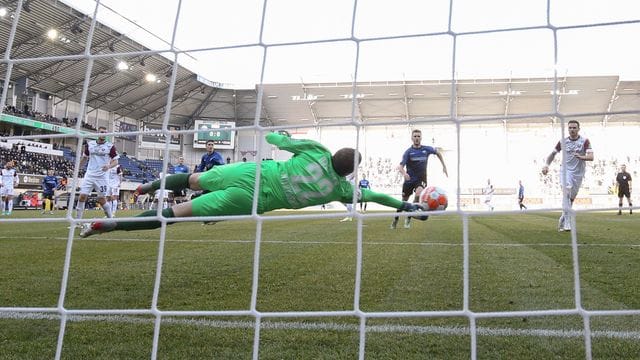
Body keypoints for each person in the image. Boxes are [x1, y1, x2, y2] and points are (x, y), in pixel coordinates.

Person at [79, 131, 428, 237]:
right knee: (176, 213)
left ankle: (145, 188)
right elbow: (378, 194)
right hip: (252, 201)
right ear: (350, 173)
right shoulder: (340, 189)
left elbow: (279, 139)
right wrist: (405, 205)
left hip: (252, 172)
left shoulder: (316, 150)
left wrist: (278, 134)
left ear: (333, 153)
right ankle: (108, 225)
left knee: (193, 177)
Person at [541, 120, 593, 232]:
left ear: (579, 129)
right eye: (570, 128)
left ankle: (563, 217)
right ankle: (568, 222)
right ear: (568, 129)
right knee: (567, 189)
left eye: (574, 128)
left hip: (578, 173)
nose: (572, 130)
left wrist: (581, 157)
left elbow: (591, 156)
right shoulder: (563, 142)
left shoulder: (585, 141)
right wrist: (546, 165)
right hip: (565, 171)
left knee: (570, 199)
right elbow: (553, 154)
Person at [391, 129, 448, 229]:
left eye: (418, 136)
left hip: (421, 179)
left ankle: (408, 218)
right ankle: (395, 219)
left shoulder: (426, 149)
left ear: (421, 138)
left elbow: (438, 152)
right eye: (415, 136)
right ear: (412, 138)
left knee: (418, 195)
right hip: (409, 180)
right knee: (403, 201)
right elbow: (400, 166)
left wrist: (444, 166)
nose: (417, 138)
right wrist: (404, 174)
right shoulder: (408, 152)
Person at [75, 126, 119, 221]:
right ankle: (77, 221)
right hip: (90, 175)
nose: (104, 134)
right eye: (102, 132)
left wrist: (108, 166)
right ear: (97, 133)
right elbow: (85, 158)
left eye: (105, 133)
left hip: (102, 176)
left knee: (102, 200)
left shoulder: (110, 146)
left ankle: (110, 219)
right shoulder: (90, 144)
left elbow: (115, 162)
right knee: (82, 196)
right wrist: (77, 168)